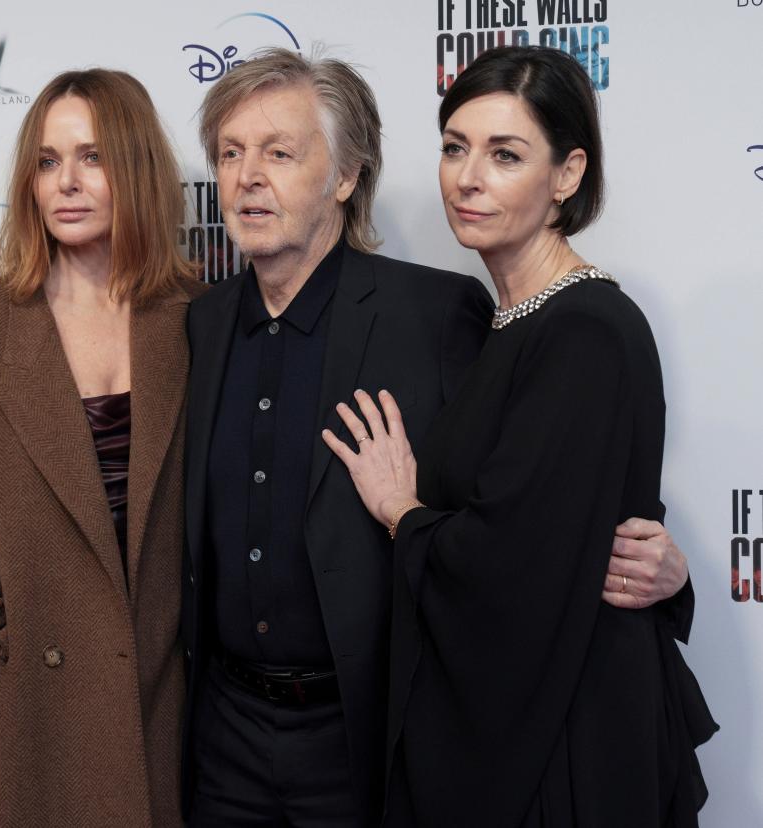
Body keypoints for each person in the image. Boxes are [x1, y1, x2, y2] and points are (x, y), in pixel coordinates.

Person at [181, 47, 695, 826]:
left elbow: (529, 541)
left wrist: (400, 511)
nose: (249, 174)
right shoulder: (198, 324)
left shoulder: (465, 317)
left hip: (394, 738)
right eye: (455, 148)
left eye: (280, 152)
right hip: (225, 736)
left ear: (346, 177)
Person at [322, 46, 717, 825]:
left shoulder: (585, 331)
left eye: (506, 155)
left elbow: (510, 564)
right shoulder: (511, 320)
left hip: (566, 745)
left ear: (567, 175)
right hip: (544, 723)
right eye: (453, 147)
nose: (467, 178)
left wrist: (400, 510)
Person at [0, 68, 201, 827]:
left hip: (176, 723)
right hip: (31, 732)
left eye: (93, 157)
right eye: (48, 161)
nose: (67, 182)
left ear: (138, 169)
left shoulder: (206, 322)